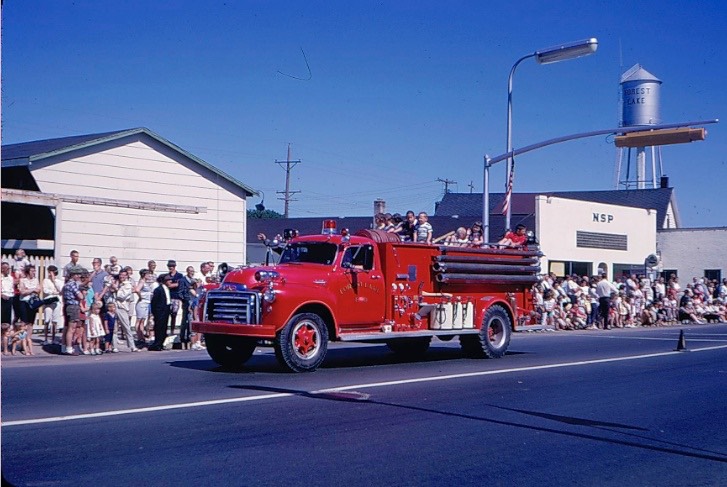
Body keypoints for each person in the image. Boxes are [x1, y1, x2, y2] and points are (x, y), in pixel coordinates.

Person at [114, 269, 140, 352]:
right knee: (114, 327)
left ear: (127, 276)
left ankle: (132, 346)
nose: (122, 277)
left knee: (126, 327)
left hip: (122, 308)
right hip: (114, 306)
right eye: (121, 275)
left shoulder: (128, 285)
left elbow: (122, 296)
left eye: (124, 275)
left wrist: (116, 289)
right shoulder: (118, 283)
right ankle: (114, 346)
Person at [61, 267, 85, 355]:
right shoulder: (73, 284)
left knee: (66, 327)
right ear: (73, 275)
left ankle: (64, 347)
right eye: (77, 274)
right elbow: (81, 296)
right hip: (73, 306)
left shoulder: (66, 285)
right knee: (72, 328)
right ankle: (69, 348)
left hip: (67, 306)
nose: (79, 276)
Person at [149, 275, 172, 351]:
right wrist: (154, 312)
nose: (170, 281)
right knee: (159, 327)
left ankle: (161, 343)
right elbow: (154, 302)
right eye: (168, 280)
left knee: (164, 327)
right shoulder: (158, 290)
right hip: (159, 311)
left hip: (166, 310)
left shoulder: (167, 289)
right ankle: (157, 344)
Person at [42, 265, 64, 345]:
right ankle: (45, 339)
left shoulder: (59, 281)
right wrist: (54, 292)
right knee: (47, 320)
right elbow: (45, 290)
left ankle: (54, 338)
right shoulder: (46, 280)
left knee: (55, 321)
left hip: (57, 302)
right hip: (49, 301)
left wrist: (54, 280)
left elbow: (61, 290)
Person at [165, 260, 186, 336]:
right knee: (167, 314)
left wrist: (173, 284)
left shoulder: (179, 275)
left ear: (174, 267)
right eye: (169, 266)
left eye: (172, 266)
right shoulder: (167, 275)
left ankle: (172, 331)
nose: (170, 267)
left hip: (176, 297)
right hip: (168, 297)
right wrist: (174, 284)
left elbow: (180, 284)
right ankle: (166, 330)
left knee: (174, 314)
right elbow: (168, 285)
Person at [134, 269, 153, 347]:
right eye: (147, 274)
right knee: (139, 320)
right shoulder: (141, 281)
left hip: (146, 302)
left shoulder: (145, 282)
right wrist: (140, 297)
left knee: (143, 320)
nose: (149, 276)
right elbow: (137, 289)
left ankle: (141, 336)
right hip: (142, 303)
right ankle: (139, 336)